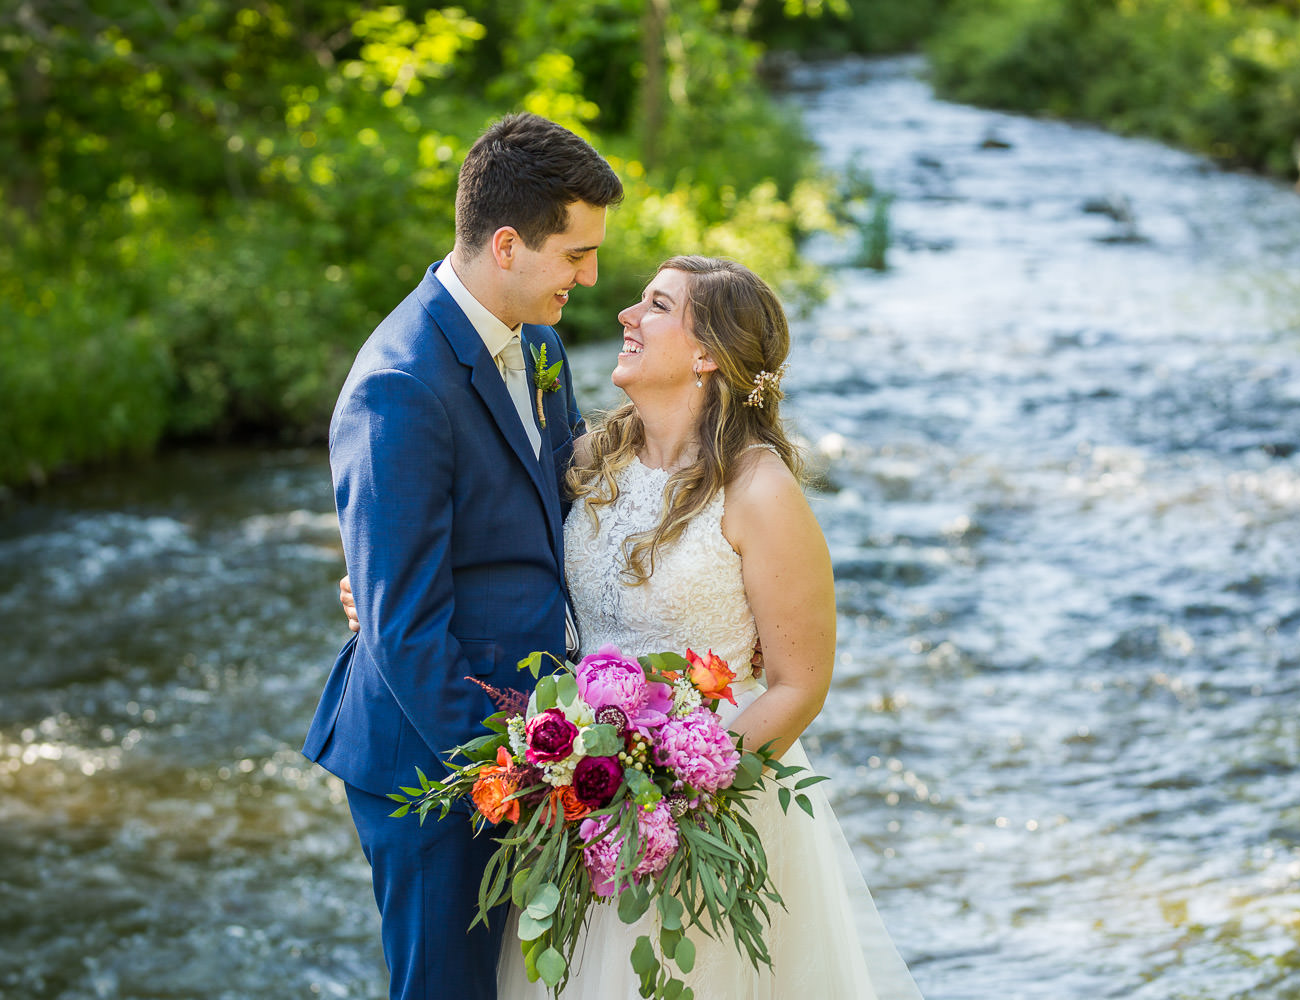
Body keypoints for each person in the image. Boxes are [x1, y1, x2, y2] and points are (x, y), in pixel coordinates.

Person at [345, 256, 925, 999]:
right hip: (583, 793)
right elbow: (485, 547)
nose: (624, 314)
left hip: (704, 800)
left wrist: (674, 795)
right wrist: (377, 582)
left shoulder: (761, 491)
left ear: (707, 353)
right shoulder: (591, 458)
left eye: (655, 305)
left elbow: (800, 684)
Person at [302, 111, 623, 1000]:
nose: (591, 276)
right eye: (577, 254)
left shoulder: (541, 346)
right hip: (437, 767)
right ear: (510, 245)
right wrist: (508, 780)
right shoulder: (399, 385)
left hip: (539, 740)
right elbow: (403, 629)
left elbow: (560, 515)